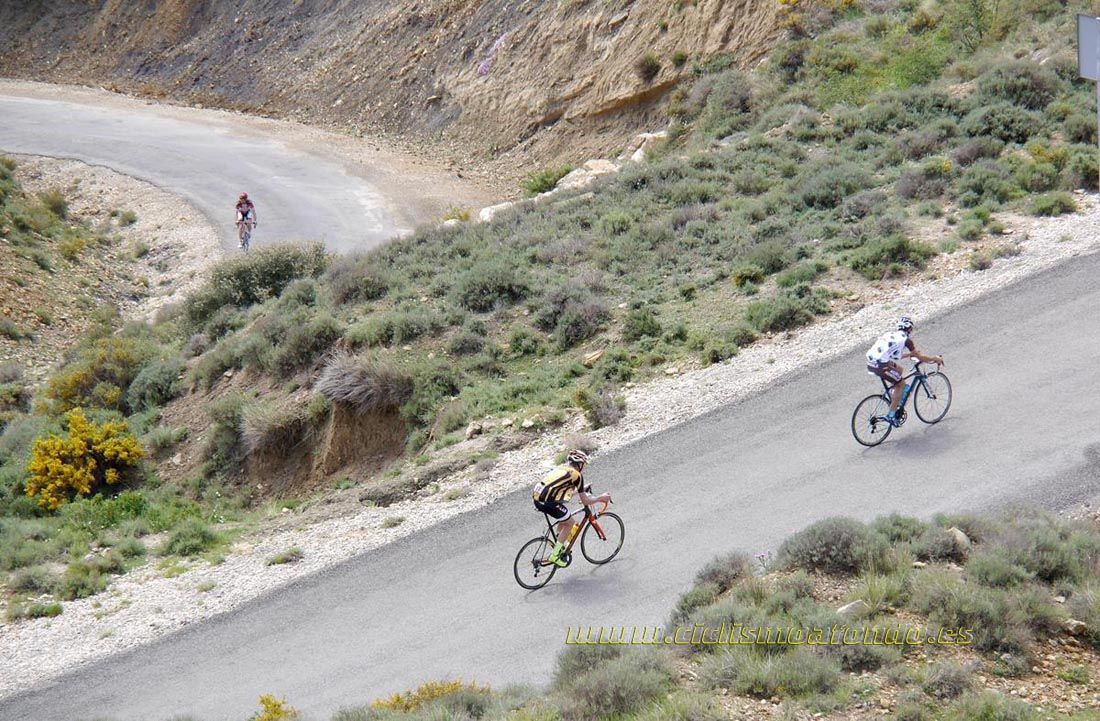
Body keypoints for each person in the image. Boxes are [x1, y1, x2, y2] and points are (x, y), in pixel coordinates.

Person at [531, 449, 611, 567]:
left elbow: (563, 491)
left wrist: (582, 489)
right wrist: (601, 498)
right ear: (579, 464)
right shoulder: (577, 475)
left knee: (565, 517)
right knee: (570, 523)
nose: (584, 468)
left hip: (538, 498)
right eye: (583, 465)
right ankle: (554, 555)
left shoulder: (562, 469)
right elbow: (586, 501)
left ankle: (560, 544)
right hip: (547, 501)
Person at [865, 317, 944, 426]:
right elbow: (920, 357)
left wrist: (910, 355)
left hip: (872, 363)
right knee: (901, 384)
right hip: (881, 366)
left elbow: (894, 355)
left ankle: (894, 395)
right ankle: (891, 416)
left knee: (899, 370)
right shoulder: (906, 340)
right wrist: (935, 359)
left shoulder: (890, 335)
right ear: (909, 329)